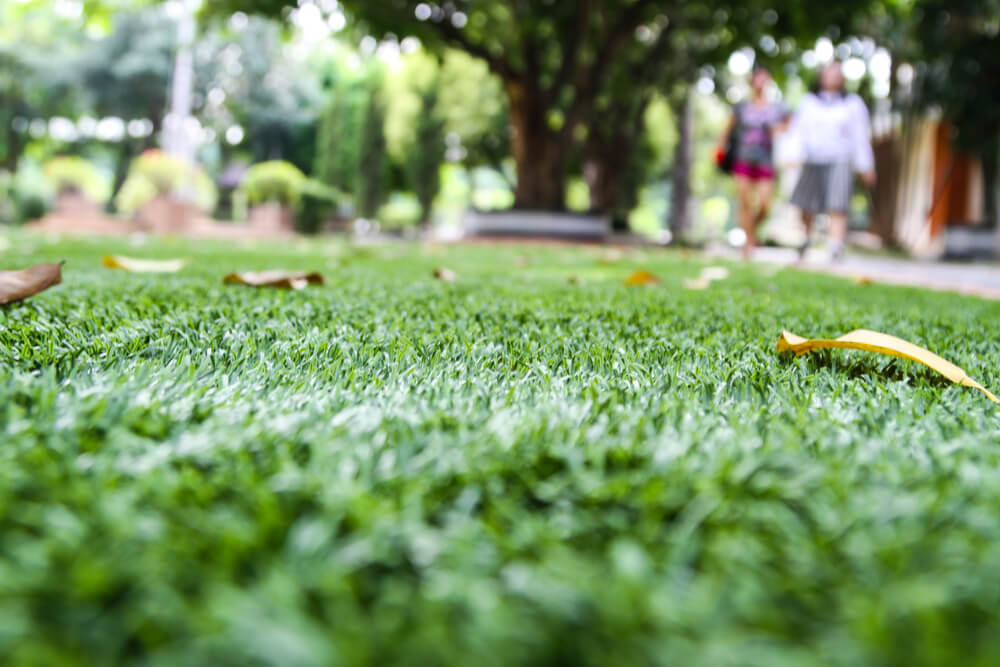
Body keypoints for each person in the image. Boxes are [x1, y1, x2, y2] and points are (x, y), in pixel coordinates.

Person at [789, 60, 876, 261]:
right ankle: (806, 239)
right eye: (829, 72)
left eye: (838, 73)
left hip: (840, 158)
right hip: (813, 158)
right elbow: (798, 131)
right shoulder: (809, 102)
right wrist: (792, 155)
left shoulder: (853, 104)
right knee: (806, 204)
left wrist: (866, 166)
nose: (833, 76)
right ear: (821, 76)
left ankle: (835, 246)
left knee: (837, 204)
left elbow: (860, 136)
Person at [717, 67, 788, 259]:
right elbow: (727, 129)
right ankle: (748, 244)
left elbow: (789, 127)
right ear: (751, 82)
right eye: (757, 79)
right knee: (745, 201)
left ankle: (752, 232)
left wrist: (778, 130)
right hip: (743, 158)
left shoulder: (777, 108)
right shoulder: (742, 107)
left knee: (765, 205)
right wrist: (719, 150)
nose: (760, 82)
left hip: (766, 160)